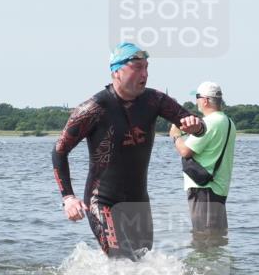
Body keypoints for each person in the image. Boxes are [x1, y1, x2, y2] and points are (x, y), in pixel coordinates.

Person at [52, 43, 205, 259]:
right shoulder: (93, 109)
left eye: (147, 67)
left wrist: (195, 126)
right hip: (102, 201)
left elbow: (196, 124)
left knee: (143, 263)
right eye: (137, 67)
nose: (145, 74)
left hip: (138, 202)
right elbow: (59, 152)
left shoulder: (155, 100)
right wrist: (68, 197)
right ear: (116, 71)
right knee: (122, 259)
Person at [169, 81, 236, 233]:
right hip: (218, 188)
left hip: (204, 188)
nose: (196, 102)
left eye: (197, 98)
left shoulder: (209, 122)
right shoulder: (228, 122)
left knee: (202, 236)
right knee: (216, 235)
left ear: (205, 100)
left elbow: (185, 151)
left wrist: (176, 135)